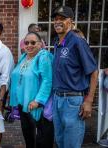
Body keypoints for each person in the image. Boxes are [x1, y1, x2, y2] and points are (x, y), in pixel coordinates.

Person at [51, 6, 98, 148]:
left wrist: (89, 101)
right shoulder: (57, 43)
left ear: (71, 21)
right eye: (56, 19)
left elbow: (94, 72)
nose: (58, 22)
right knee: (60, 141)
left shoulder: (77, 41)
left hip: (72, 101)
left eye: (62, 19)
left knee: (71, 144)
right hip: (57, 99)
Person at [10, 32, 54, 148]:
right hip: (23, 104)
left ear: (40, 44)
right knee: (28, 137)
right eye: (26, 43)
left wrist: (38, 101)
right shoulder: (24, 57)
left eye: (33, 42)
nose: (29, 45)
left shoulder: (43, 57)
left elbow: (47, 80)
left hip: (36, 105)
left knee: (41, 140)